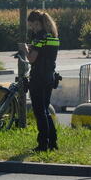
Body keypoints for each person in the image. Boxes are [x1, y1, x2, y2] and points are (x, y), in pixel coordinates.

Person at [19, 10, 60, 152]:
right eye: (31, 26)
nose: (33, 29)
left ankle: (42, 144)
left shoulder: (40, 37)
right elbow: (45, 52)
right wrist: (33, 47)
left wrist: (25, 49)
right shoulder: (52, 36)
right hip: (50, 76)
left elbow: (32, 59)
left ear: (39, 23)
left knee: (39, 112)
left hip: (38, 77)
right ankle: (53, 142)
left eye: (34, 25)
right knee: (45, 110)